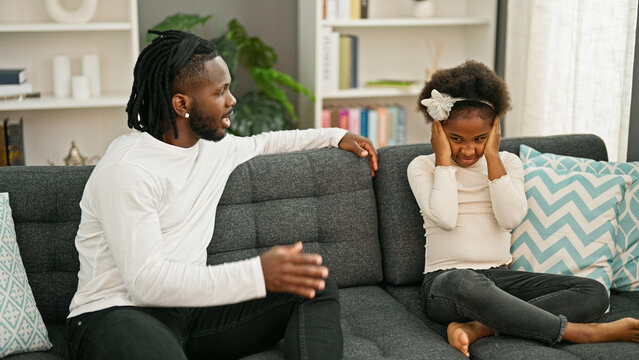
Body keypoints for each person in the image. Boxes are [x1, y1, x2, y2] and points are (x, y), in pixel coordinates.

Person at [66, 29, 378, 360]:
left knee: (311, 282)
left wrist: (337, 135)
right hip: (114, 313)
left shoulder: (215, 149)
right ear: (181, 104)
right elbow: (145, 282)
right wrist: (257, 273)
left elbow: (269, 142)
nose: (232, 101)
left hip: (189, 312)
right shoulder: (127, 169)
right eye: (220, 92)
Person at [407, 60, 639, 358]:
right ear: (438, 131)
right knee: (463, 280)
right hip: (446, 283)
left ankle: (480, 327)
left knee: (593, 291)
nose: (468, 150)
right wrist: (442, 159)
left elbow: (511, 218)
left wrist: (492, 158)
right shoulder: (423, 166)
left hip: (500, 280)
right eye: (455, 139)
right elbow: (446, 218)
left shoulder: (508, 163)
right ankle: (575, 332)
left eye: (480, 139)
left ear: (494, 131)